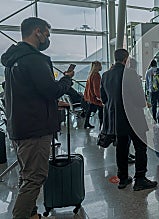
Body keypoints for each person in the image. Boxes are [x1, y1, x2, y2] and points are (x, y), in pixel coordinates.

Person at [1, 17, 73, 219]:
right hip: (35, 128)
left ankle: (32, 213)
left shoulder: (13, 59)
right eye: (47, 35)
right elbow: (51, 90)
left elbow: (29, 92)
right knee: (35, 178)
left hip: (18, 125)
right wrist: (67, 79)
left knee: (26, 175)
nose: (47, 39)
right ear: (37, 32)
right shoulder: (34, 59)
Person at [101, 49, 157, 191]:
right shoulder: (131, 74)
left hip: (117, 119)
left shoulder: (106, 75)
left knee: (121, 148)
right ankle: (140, 179)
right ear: (126, 59)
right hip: (134, 118)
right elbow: (140, 100)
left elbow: (104, 99)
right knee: (140, 147)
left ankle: (123, 178)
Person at [84, 61, 103, 129]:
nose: (101, 67)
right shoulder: (96, 75)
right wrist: (100, 97)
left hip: (89, 97)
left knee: (89, 111)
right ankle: (101, 126)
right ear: (97, 66)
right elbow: (97, 88)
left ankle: (86, 123)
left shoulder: (91, 75)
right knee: (101, 111)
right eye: (100, 65)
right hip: (94, 98)